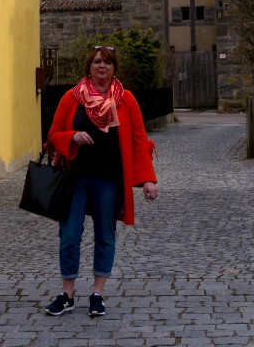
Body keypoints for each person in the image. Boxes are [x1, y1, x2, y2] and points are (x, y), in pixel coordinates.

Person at [44, 46, 158, 318]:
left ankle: (97, 293)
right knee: (69, 235)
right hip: (74, 179)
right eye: (96, 62)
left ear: (114, 68)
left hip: (109, 180)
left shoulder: (126, 99)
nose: (102, 66)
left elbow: (139, 140)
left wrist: (148, 180)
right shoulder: (72, 98)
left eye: (107, 62)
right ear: (89, 67)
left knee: (105, 235)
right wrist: (71, 136)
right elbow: (53, 135)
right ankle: (67, 295)